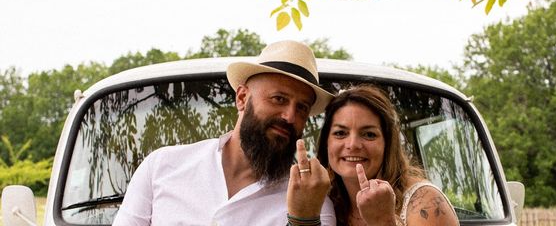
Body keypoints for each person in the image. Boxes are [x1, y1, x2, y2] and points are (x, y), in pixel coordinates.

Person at [113, 40, 336, 226]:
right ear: (241, 98)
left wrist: (302, 220)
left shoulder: (313, 205)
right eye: (279, 99)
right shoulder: (161, 166)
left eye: (302, 108)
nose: (289, 116)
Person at [314, 85, 460, 226]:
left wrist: (384, 222)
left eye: (369, 134)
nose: (352, 144)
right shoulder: (323, 201)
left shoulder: (425, 202)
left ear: (388, 143)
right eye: (340, 133)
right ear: (326, 142)